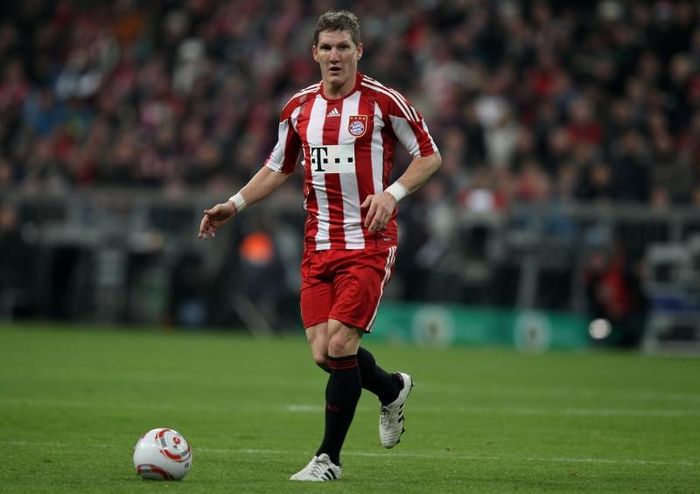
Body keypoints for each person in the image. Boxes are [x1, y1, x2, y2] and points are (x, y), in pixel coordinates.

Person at [198, 10, 441, 481]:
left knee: (342, 343)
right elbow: (277, 167)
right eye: (326, 47)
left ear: (359, 51)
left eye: (343, 47)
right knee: (324, 354)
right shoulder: (298, 108)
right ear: (314, 53)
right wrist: (235, 204)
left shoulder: (384, 102)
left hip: (368, 242)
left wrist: (392, 194)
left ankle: (328, 459)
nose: (335, 55)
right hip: (319, 244)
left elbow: (429, 156)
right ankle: (391, 389)